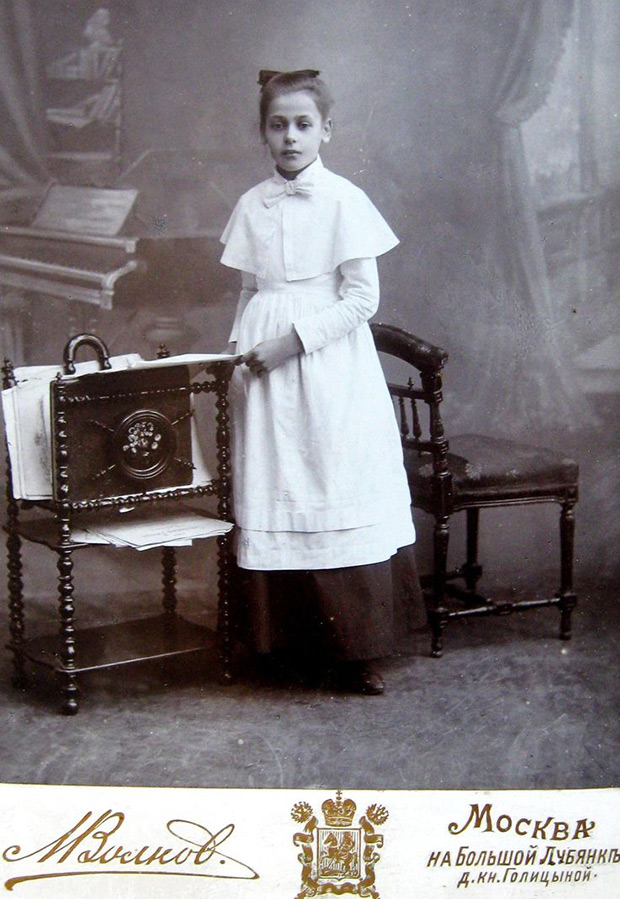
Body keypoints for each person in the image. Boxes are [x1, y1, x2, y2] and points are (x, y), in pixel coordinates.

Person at [220, 69, 425, 695]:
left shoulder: (344, 200)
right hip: (264, 369)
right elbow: (250, 291)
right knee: (275, 481)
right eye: (278, 125)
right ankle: (280, 644)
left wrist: (293, 342)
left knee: (332, 480)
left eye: (303, 125)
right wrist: (238, 356)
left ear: (326, 132)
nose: (290, 137)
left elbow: (362, 299)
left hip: (328, 365)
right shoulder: (251, 204)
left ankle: (354, 648)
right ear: (262, 133)